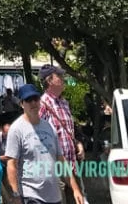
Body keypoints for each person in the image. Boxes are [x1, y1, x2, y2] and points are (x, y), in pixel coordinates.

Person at [5, 84, 83, 204]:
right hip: (31, 195)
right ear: (21, 104)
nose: (33, 103)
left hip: (54, 196)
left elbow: (61, 160)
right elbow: (11, 165)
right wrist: (15, 195)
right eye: (28, 100)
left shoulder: (49, 127)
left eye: (35, 99)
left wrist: (75, 189)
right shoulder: (17, 129)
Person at [38, 65, 83, 204]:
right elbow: (35, 135)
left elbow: (68, 130)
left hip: (72, 165)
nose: (63, 79)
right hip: (55, 168)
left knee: (77, 199)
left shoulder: (64, 103)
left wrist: (78, 143)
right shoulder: (42, 104)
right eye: (59, 77)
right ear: (50, 81)